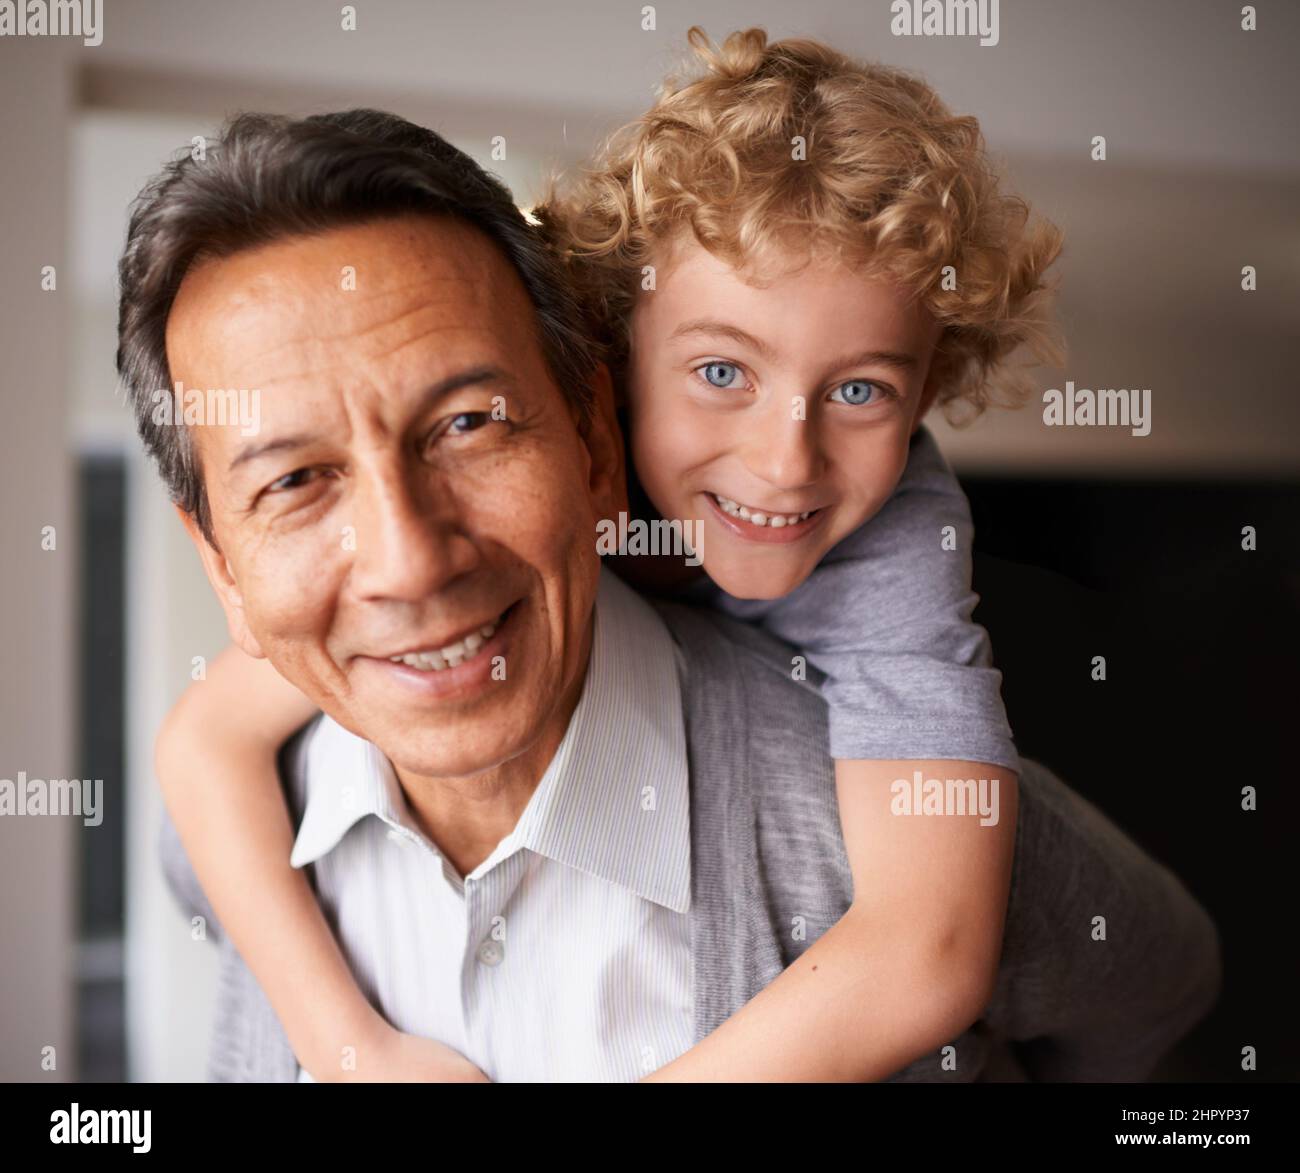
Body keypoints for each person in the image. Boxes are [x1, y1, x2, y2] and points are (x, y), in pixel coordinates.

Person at [124, 105, 1219, 1082]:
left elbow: (1012, 962)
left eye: (469, 424)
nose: (782, 463)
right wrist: (347, 1047)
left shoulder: (894, 626)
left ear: (589, 433)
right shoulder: (252, 830)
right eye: (295, 480)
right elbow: (202, 745)